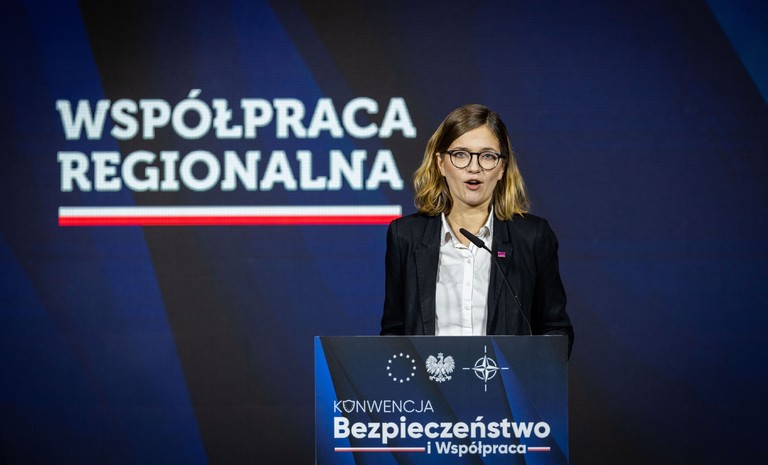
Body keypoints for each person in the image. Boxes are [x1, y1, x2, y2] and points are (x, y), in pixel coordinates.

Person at [380, 104, 573, 355]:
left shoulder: (532, 237)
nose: (474, 167)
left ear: (502, 167)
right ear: (441, 163)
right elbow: (394, 331)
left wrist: (528, 371)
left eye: (488, 156)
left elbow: (555, 330)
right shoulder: (405, 235)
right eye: (461, 154)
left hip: (504, 379)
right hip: (433, 378)